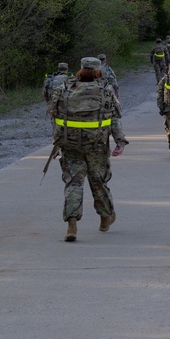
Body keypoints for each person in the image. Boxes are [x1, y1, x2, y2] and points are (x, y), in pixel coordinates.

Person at [47, 57, 124, 242]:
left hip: (70, 144)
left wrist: (57, 141)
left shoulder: (64, 89)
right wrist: (119, 141)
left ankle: (72, 224)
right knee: (98, 180)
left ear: (80, 70)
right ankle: (105, 217)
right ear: (99, 71)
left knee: (73, 182)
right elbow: (114, 117)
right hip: (96, 144)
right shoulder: (106, 90)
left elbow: (53, 113)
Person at [98, 54, 128, 154]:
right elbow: (116, 116)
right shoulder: (108, 69)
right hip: (99, 136)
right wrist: (120, 141)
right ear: (105, 60)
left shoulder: (72, 88)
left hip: (76, 140)